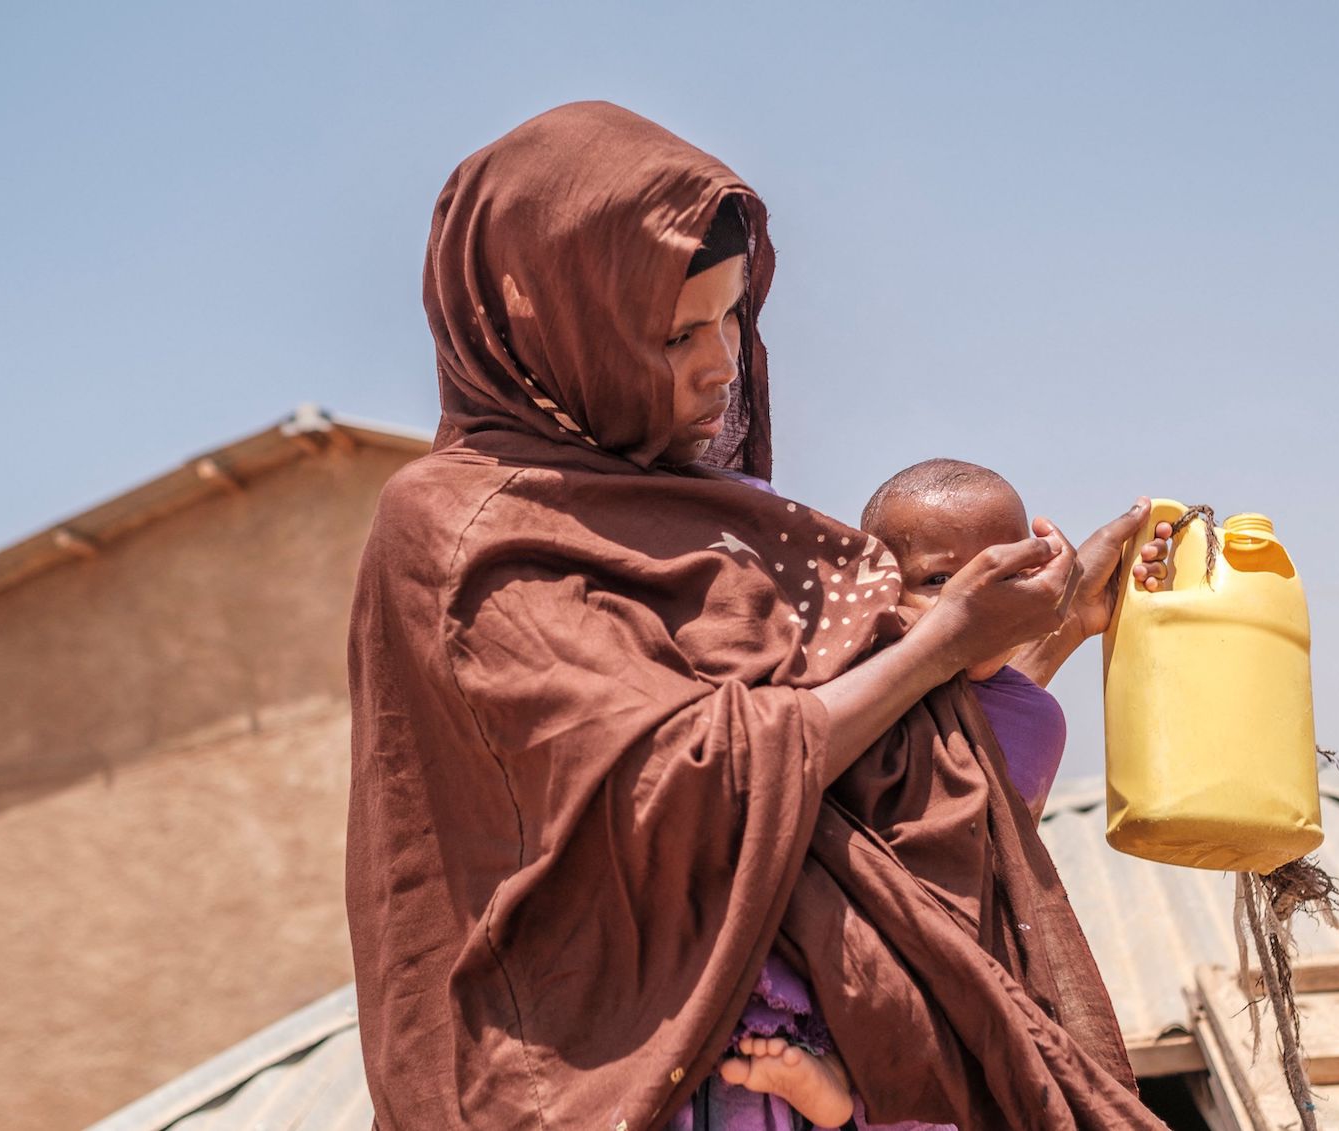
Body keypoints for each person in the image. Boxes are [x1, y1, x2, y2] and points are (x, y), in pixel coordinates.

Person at [345, 101, 1171, 1130]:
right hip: (602, 1085)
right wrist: (948, 641)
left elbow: (862, 789)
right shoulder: (461, 528)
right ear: (548, 326)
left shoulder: (720, 523)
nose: (721, 362)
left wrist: (1037, 636)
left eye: (735, 314)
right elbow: (687, 785)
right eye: (675, 332)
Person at [859, 459, 1178, 823]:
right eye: (939, 579)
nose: (979, 599)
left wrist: (1072, 613)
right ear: (880, 588)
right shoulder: (851, 682)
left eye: (1006, 574)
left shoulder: (1035, 720)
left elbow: (1004, 865)